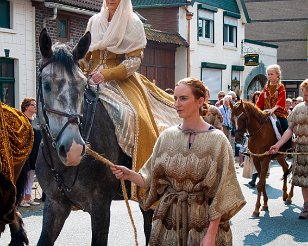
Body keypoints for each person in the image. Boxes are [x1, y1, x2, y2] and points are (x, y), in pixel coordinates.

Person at [111, 77, 246, 245]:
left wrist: (211, 234)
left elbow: (222, 192)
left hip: (202, 223)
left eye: (183, 98)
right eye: (175, 98)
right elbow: (151, 178)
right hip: (168, 220)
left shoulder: (218, 141)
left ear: (200, 101)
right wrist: (129, 174)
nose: (177, 103)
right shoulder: (167, 137)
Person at [81, 0, 179, 199]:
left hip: (120, 79)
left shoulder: (133, 22)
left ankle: (140, 171)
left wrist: (107, 74)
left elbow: (134, 60)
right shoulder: (94, 21)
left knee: (134, 117)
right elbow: (84, 54)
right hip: (89, 77)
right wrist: (82, 72)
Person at [270, 79, 308, 219]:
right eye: (305, 95)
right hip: (301, 149)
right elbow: (289, 130)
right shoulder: (298, 109)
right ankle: (306, 207)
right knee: (305, 181)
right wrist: (278, 145)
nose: (306, 97)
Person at [256, 64, 292, 149]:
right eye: (268, 74)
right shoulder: (266, 87)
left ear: (277, 75)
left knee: (286, 126)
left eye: (271, 74)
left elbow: (281, 99)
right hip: (266, 112)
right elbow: (260, 100)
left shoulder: (280, 86)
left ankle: (288, 147)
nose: (269, 76)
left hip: (278, 112)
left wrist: (273, 109)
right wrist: (256, 110)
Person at [18, 98, 42, 207]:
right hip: (26, 152)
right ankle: (21, 198)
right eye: (33, 105)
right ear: (26, 107)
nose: (35, 107)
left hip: (36, 151)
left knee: (31, 175)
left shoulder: (36, 120)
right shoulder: (22, 119)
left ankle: (28, 197)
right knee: (23, 175)